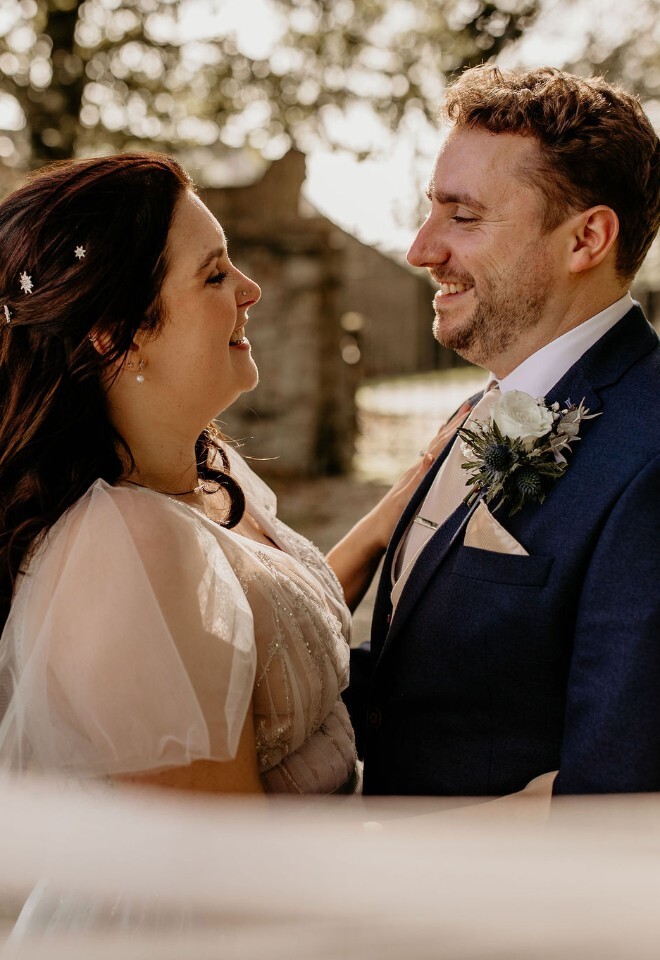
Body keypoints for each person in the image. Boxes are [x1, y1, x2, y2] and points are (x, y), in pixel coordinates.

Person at [0, 153, 464, 803]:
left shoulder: (202, 468)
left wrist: (394, 508)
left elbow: (263, 638)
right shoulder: (128, 549)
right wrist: (514, 819)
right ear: (116, 336)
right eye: (214, 274)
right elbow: (227, 876)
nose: (252, 289)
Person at [349, 65, 660, 798]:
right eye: (433, 210)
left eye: (463, 217)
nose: (421, 250)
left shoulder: (651, 455)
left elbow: (612, 797)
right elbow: (426, 684)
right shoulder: (489, 406)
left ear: (587, 238)